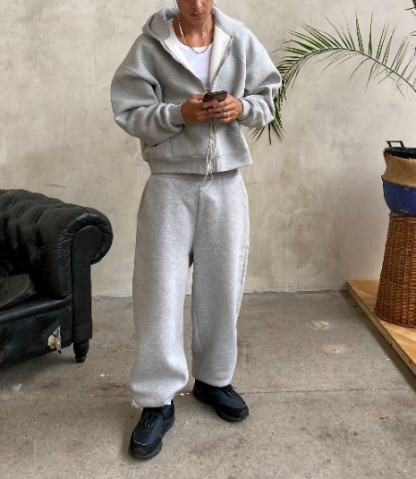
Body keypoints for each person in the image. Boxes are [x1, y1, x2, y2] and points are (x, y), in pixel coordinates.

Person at [111, 0, 281, 460]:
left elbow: (267, 99)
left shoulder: (239, 40)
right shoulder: (150, 46)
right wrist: (177, 115)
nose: (198, 4)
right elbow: (128, 111)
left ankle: (214, 380)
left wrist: (240, 106)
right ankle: (156, 401)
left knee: (223, 287)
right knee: (158, 291)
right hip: (169, 183)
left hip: (226, 182)